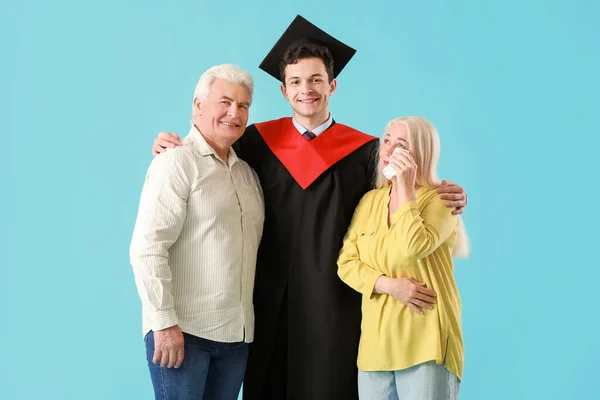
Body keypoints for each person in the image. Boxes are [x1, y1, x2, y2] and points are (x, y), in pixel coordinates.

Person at [150, 15, 468, 400]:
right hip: (264, 299)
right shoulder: (256, 141)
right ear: (284, 91)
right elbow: (211, 154)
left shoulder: (365, 151)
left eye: (316, 80)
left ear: (332, 86)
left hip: (334, 302)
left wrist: (441, 188)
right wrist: (171, 143)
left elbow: (397, 195)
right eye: (296, 82)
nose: (307, 90)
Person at [129, 64, 265, 400]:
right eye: (224, 102)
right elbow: (148, 248)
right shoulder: (176, 162)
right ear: (198, 104)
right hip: (184, 333)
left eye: (243, 106)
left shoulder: (247, 174)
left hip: (235, 338)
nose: (234, 113)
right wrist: (163, 323)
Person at [337, 116, 469, 400]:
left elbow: (412, 246)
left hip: (426, 342)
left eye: (401, 145)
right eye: (386, 141)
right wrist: (389, 285)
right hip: (375, 348)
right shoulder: (370, 201)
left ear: (420, 153)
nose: (388, 150)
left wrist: (405, 187)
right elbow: (346, 264)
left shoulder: (441, 200)